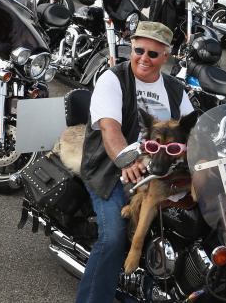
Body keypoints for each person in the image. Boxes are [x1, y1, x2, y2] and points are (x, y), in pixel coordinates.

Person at [75, 21, 194, 303]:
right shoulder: (113, 79)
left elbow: (196, 131)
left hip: (162, 173)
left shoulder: (176, 89)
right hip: (113, 169)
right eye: (139, 50)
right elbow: (109, 130)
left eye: (153, 54)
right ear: (132, 48)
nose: (144, 58)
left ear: (166, 56)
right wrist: (125, 160)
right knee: (114, 237)